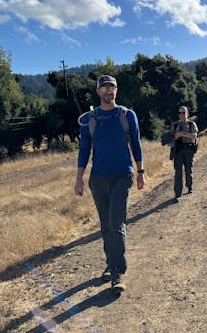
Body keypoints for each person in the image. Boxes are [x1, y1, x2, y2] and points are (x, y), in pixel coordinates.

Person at [74, 75, 145, 295]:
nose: (108, 91)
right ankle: (111, 261)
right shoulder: (89, 119)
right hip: (98, 178)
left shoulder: (126, 115)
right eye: (104, 88)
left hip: (123, 175)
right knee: (105, 224)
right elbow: (84, 149)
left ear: (116, 90)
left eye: (111, 87)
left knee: (116, 222)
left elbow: (136, 144)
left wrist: (140, 171)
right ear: (98, 92)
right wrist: (79, 178)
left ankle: (117, 273)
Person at [172, 106, 198, 202]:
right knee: (178, 172)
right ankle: (178, 194)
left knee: (188, 170)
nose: (181, 115)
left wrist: (183, 134)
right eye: (180, 113)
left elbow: (195, 136)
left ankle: (189, 186)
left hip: (188, 149)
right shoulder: (175, 125)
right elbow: (171, 137)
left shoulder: (191, 124)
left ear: (187, 114)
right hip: (178, 150)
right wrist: (176, 136)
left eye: (183, 112)